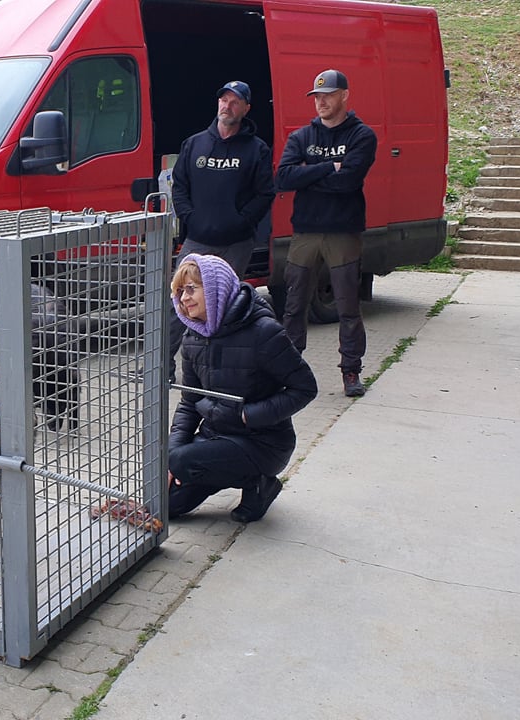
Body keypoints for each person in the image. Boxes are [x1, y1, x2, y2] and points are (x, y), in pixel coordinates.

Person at [167, 254, 317, 522]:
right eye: (179, 291)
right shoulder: (192, 338)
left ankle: (259, 482)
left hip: (262, 442)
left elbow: (305, 388)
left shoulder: (263, 332)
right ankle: (220, 472)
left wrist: (250, 415)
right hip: (215, 438)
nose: (184, 298)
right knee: (167, 504)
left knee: (183, 461)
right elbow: (190, 402)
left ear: (215, 289)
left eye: (191, 289)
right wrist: (171, 456)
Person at [275, 69, 377, 397]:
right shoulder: (301, 137)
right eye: (317, 96)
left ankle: (351, 371)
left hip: (342, 232)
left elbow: (349, 181)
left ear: (344, 96)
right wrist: (327, 168)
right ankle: (289, 369)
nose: (321, 102)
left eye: (328, 95)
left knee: (347, 305)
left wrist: (309, 175)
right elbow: (284, 179)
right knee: (294, 305)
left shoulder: (363, 136)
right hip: (305, 231)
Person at [167, 80, 275, 383]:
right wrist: (191, 219)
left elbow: (265, 193)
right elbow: (180, 187)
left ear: (246, 109)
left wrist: (242, 221)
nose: (228, 106)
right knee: (178, 302)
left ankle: (214, 370)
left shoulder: (256, 149)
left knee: (222, 306)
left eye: (235, 102)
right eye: (224, 100)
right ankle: (163, 367)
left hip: (235, 244)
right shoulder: (195, 144)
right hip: (197, 240)